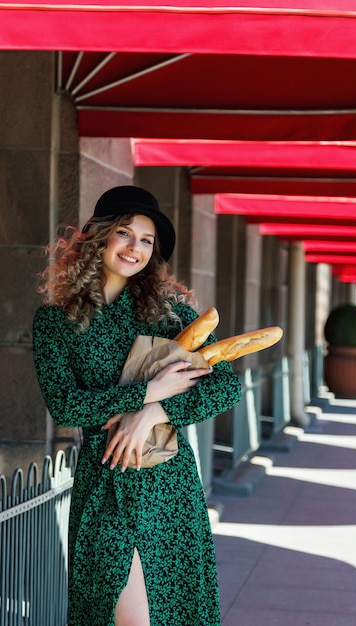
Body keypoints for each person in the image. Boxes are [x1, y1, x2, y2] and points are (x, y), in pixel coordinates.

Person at [32, 185, 242, 626]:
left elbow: (226, 385)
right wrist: (147, 393)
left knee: (170, 612)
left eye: (146, 241)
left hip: (167, 483)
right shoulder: (56, 318)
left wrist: (154, 413)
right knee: (118, 613)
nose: (136, 248)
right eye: (126, 234)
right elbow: (66, 407)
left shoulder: (168, 313)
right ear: (100, 236)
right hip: (103, 482)